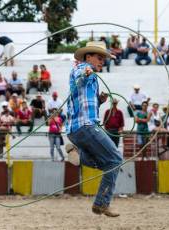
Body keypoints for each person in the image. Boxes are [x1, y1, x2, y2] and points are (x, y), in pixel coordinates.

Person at [64, 41, 122, 217]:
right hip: (86, 126)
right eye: (99, 57)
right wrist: (88, 72)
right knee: (116, 160)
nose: (102, 61)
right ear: (88, 56)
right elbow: (83, 75)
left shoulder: (89, 76)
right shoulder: (81, 68)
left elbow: (83, 96)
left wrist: (100, 101)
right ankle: (101, 204)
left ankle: (78, 155)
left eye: (103, 59)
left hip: (76, 130)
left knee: (109, 164)